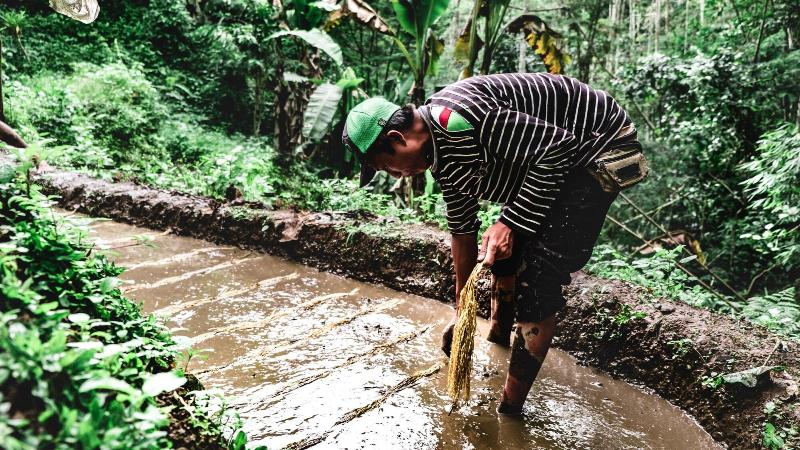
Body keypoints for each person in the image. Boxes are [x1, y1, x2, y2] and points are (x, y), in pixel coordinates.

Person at [341, 72, 645, 415]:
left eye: (388, 167)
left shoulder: (465, 117)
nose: (397, 175)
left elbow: (558, 147)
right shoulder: (441, 156)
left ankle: (510, 410)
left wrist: (509, 222)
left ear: (398, 139)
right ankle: (498, 338)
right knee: (504, 254)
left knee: (538, 280)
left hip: (597, 145)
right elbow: (462, 228)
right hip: (555, 159)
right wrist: (462, 310)